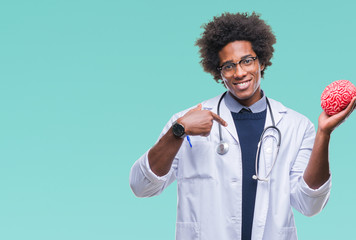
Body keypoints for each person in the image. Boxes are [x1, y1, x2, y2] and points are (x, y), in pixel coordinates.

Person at [129, 12, 356, 240]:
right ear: (219, 73)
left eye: (247, 61)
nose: (239, 73)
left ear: (262, 61)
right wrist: (178, 131)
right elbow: (141, 186)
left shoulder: (295, 125)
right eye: (228, 66)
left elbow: (310, 205)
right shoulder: (185, 121)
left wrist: (324, 133)